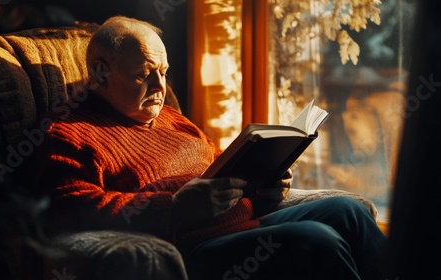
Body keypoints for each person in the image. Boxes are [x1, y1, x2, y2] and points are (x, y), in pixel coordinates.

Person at [33, 15, 387, 280]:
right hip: (189, 247)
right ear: (100, 71)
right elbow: (71, 210)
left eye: (165, 72)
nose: (160, 85)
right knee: (315, 238)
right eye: (145, 74)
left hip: (243, 222)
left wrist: (265, 186)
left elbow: (221, 170)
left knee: (347, 211)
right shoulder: (67, 132)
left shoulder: (175, 120)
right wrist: (173, 208)